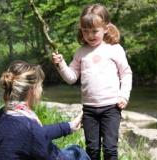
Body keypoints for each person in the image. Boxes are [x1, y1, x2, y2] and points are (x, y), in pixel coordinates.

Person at [51, 4, 133, 160]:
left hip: (111, 107)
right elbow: (71, 78)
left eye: (95, 31)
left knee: (110, 149)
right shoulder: (81, 52)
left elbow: (126, 73)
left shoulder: (114, 49)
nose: (90, 35)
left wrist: (124, 96)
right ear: (81, 30)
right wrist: (60, 64)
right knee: (92, 150)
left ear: (106, 28)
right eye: (85, 31)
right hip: (89, 110)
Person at [0, 60, 90, 160]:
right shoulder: (29, 127)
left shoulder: (2, 114)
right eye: (41, 85)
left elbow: (36, 134)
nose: (42, 89)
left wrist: (70, 126)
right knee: (77, 151)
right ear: (32, 89)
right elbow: (56, 157)